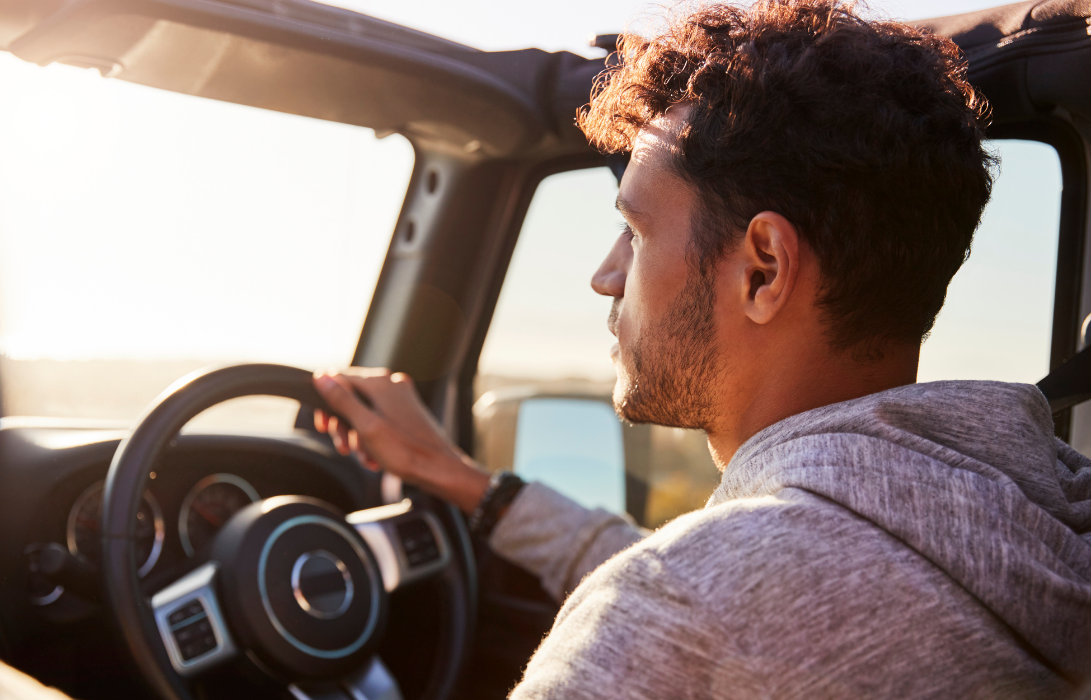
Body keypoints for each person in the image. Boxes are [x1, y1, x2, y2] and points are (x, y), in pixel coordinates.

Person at [310, 0, 1091, 697]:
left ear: (764, 270)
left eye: (635, 231)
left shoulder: (676, 611)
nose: (605, 276)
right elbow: (749, 581)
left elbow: (711, 594)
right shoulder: (1047, 518)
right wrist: (467, 483)